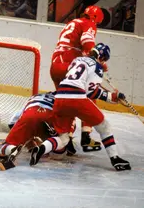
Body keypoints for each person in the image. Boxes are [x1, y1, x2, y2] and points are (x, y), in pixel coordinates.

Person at [31, 43, 131, 171]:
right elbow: (91, 92)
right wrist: (112, 97)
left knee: (64, 138)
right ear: (102, 58)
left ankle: (42, 148)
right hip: (77, 98)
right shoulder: (97, 67)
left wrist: (111, 95)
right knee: (104, 126)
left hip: (60, 98)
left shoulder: (76, 60)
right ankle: (115, 158)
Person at [50, 5, 104, 152]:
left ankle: (66, 137)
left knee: (66, 102)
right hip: (69, 62)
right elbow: (87, 41)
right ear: (96, 19)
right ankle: (86, 136)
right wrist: (96, 57)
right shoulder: (89, 24)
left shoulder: (73, 22)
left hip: (55, 64)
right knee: (89, 96)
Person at [0, 92, 76, 170]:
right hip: (49, 118)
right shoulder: (67, 102)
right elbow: (67, 135)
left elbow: (12, 122)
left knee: (6, 145)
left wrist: (27, 140)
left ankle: (12, 149)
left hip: (30, 113)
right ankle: (43, 148)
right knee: (59, 154)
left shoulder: (36, 96)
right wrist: (68, 147)